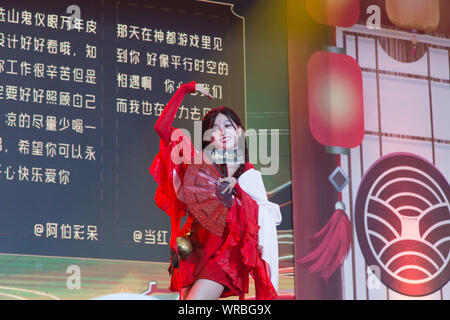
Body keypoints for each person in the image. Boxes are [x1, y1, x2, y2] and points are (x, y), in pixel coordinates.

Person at [149, 81, 281, 300]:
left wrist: (237, 191)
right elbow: (163, 129)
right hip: (194, 251)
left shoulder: (249, 176)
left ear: (239, 131)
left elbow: (267, 217)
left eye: (228, 126)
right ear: (210, 137)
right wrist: (185, 89)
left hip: (224, 258)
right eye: (216, 128)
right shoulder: (199, 167)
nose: (223, 132)